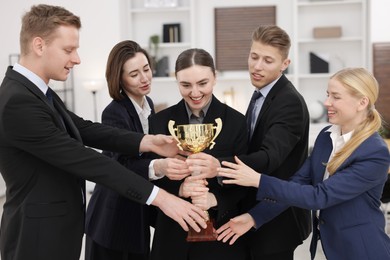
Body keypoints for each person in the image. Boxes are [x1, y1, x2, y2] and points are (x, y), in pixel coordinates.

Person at [0, 5, 207, 260]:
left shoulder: (36, 92)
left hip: (53, 230)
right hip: (36, 236)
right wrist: (161, 198)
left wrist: (148, 141)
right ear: (39, 45)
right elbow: (86, 159)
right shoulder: (18, 102)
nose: (77, 59)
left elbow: (84, 128)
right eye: (69, 50)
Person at [217, 67, 390, 260]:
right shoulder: (326, 136)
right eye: (327, 95)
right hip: (332, 247)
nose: (327, 103)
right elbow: (298, 183)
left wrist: (258, 180)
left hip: (364, 250)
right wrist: (254, 217)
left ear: (362, 102)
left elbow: (320, 196)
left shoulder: (374, 152)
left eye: (336, 97)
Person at [186, 25, 311, 259]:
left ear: (285, 64)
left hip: (275, 220)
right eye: (254, 56)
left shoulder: (289, 102)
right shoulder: (261, 94)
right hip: (253, 214)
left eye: (268, 60)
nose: (257, 66)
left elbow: (268, 157)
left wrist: (217, 166)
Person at [149, 48, 249, 260]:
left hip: (222, 240)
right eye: (186, 85)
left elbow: (246, 182)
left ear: (215, 78)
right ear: (176, 81)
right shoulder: (158, 122)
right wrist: (179, 189)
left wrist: (215, 199)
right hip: (172, 239)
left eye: (202, 83)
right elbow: (147, 177)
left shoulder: (237, 123)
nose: (195, 93)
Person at [84, 40, 179, 260]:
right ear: (120, 78)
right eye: (134, 74)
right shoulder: (114, 112)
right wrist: (159, 166)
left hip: (136, 211)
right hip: (113, 217)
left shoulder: (148, 104)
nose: (145, 78)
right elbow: (120, 166)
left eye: (146, 69)